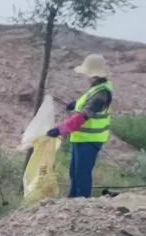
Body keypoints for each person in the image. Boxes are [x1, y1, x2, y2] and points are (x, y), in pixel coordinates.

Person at [46, 54, 113, 199]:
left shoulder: (101, 93)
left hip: (89, 140)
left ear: (93, 74)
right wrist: (75, 104)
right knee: (75, 173)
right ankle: (72, 201)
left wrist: (60, 129)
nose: (86, 76)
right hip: (82, 138)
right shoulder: (97, 88)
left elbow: (82, 116)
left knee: (82, 174)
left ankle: (81, 206)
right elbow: (86, 103)